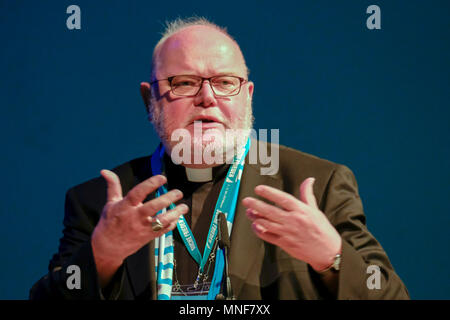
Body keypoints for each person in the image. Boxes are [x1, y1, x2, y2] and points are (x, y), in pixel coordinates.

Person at [30, 17, 409, 300]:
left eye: (226, 83)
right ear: (150, 100)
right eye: (184, 83)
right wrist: (102, 256)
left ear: (248, 95)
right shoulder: (100, 200)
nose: (208, 98)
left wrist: (332, 259)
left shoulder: (316, 184)